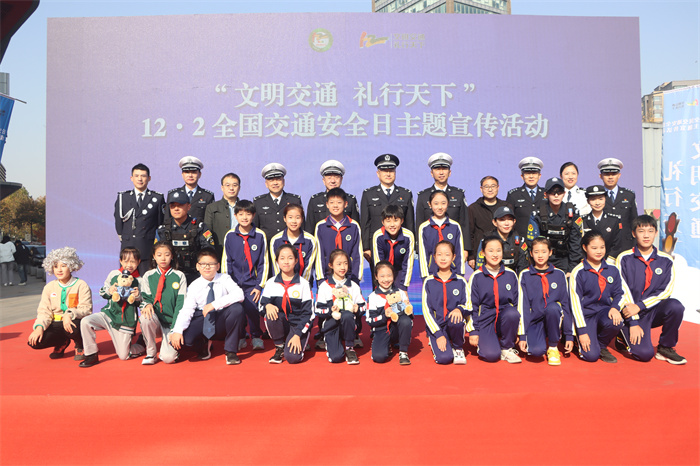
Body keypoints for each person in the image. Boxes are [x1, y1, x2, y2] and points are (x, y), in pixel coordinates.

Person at [616, 215, 686, 364]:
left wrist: (640, 306)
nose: (646, 235)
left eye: (650, 231)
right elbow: (622, 290)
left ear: (656, 233)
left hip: (651, 311)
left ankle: (665, 347)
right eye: (641, 231)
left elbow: (665, 291)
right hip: (629, 313)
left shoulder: (666, 260)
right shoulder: (624, 258)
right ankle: (621, 335)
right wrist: (633, 322)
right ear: (634, 233)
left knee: (675, 306)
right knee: (645, 355)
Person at [169, 248, 247, 365]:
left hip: (221, 317)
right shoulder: (194, 286)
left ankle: (231, 351)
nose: (207, 267)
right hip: (203, 318)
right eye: (203, 264)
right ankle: (203, 345)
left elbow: (239, 294)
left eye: (211, 264)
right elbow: (186, 310)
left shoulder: (225, 278)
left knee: (237, 309)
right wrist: (177, 330)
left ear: (218, 266)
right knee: (179, 342)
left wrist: (214, 304)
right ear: (197, 266)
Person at [79, 247, 145, 367]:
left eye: (133, 261)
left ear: (138, 262)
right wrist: (109, 290)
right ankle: (91, 354)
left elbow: (142, 302)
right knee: (86, 321)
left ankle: (141, 343)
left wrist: (137, 296)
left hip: (125, 321)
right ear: (120, 261)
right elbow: (102, 292)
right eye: (126, 261)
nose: (129, 265)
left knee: (124, 356)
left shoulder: (140, 280)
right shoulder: (114, 274)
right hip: (108, 314)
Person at [569, 231, 624, 363]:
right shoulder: (578, 272)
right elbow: (575, 304)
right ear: (585, 247)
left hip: (604, 312)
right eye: (594, 248)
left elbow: (620, 293)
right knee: (591, 356)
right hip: (586, 316)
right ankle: (579, 341)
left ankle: (602, 345)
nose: (599, 251)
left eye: (602, 247)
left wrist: (615, 308)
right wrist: (582, 331)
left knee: (616, 321)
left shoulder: (613, 269)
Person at [465, 236, 523, 363]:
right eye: (490, 251)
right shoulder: (476, 276)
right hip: (485, 321)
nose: (495, 254)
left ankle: (506, 347)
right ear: (483, 253)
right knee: (491, 355)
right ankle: (490, 342)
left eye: (498, 250)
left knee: (512, 313)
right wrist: (473, 330)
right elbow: (471, 305)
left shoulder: (511, 275)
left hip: (505, 319)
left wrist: (519, 331)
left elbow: (518, 304)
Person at [27, 247, 91, 360]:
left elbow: (86, 309)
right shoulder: (49, 287)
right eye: (55, 266)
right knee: (35, 342)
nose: (59, 270)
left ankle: (80, 344)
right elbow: (44, 311)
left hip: (74, 321)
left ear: (71, 266)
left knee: (73, 328)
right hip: (55, 323)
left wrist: (69, 314)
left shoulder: (81, 285)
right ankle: (61, 342)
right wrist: (39, 327)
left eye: (63, 266)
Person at [518, 237, 573, 366]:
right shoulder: (525, 275)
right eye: (536, 252)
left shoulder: (559, 274)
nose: (540, 255)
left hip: (553, 319)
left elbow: (566, 304)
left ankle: (553, 347)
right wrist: (522, 335)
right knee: (536, 352)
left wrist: (569, 335)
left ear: (550, 252)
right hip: (534, 320)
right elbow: (523, 306)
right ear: (531, 253)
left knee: (553, 308)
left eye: (544, 251)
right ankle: (539, 339)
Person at [221, 200, 267, 351]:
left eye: (248, 214)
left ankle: (256, 336)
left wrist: (259, 285)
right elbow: (226, 260)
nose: (244, 217)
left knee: (252, 309)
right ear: (235, 216)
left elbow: (264, 262)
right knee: (237, 311)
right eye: (240, 214)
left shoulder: (260, 235)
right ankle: (241, 337)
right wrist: (227, 284)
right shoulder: (230, 235)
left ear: (253, 215)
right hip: (234, 283)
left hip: (252, 283)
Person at [259, 244, 314, 364]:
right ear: (277, 261)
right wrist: (267, 306)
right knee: (270, 313)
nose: (286, 262)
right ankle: (279, 346)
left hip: (297, 325)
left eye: (290, 258)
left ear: (296, 260)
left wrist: (297, 335)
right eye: (282, 258)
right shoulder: (271, 283)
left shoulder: (304, 284)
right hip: (281, 322)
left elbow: (309, 314)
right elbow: (261, 306)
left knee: (293, 358)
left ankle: (297, 339)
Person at [360, 154, 415, 267]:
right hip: (376, 245)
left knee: (401, 275)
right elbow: (365, 223)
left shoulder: (406, 194)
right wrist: (366, 247)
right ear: (378, 173)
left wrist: (412, 246)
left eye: (391, 170)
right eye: (384, 171)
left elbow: (409, 223)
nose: (388, 174)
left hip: (400, 245)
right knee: (378, 276)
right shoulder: (368, 194)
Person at [137, 241, 188, 364]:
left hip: (171, 324)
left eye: (167, 254)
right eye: (159, 255)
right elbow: (145, 298)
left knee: (168, 359)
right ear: (154, 257)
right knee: (145, 317)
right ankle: (151, 353)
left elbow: (181, 304)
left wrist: (175, 329)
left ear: (172, 256)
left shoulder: (179, 276)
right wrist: (147, 304)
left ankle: (170, 348)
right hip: (156, 321)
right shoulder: (148, 275)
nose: (163, 258)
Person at [315, 249, 366, 364]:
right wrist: (330, 311)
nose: (343, 267)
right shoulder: (324, 286)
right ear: (330, 265)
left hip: (349, 325)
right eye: (338, 264)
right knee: (336, 358)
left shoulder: (353, 286)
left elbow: (364, 307)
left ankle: (349, 347)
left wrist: (357, 309)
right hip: (331, 325)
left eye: (345, 263)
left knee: (347, 315)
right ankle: (330, 340)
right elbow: (318, 309)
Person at [422, 241, 468, 365]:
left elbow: (468, 304)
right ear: (434, 257)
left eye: (447, 254)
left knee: (456, 320)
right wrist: (438, 334)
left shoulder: (461, 281)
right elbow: (426, 310)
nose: (443, 258)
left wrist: (459, 309)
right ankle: (438, 340)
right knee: (444, 359)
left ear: (453, 257)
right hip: (437, 327)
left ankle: (458, 348)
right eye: (439, 254)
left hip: (453, 324)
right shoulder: (429, 282)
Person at [415, 152, 471, 255]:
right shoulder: (423, 196)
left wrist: (466, 248)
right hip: (430, 248)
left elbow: (464, 223)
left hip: (454, 247)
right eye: (437, 169)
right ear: (431, 173)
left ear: (450, 172)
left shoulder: (458, 195)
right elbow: (419, 224)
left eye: (444, 169)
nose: (441, 172)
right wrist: (419, 249)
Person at [114, 163, 165, 275]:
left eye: (143, 176)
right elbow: (118, 222)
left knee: (147, 280)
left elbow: (160, 223)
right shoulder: (123, 197)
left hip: (147, 247)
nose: (140, 179)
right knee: (126, 281)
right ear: (131, 178)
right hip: (128, 248)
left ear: (149, 178)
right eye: (136, 176)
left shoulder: (157, 198)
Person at [155, 188, 215, 283]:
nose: (176, 209)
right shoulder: (163, 229)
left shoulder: (199, 227)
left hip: (196, 276)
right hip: (170, 275)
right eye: (173, 206)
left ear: (189, 206)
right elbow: (157, 254)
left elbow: (209, 251)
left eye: (180, 205)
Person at [526, 177, 583, 275]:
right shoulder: (537, 214)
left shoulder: (573, 213)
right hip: (542, 260)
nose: (556, 195)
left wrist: (571, 270)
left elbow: (575, 244)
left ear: (564, 193)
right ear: (546, 194)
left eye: (559, 192)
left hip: (565, 259)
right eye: (552, 192)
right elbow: (533, 243)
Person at [366, 261, 414, 365]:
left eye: (389, 275)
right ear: (376, 277)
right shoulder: (373, 297)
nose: (386, 279)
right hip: (381, 330)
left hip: (396, 328)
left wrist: (408, 307)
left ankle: (403, 351)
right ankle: (384, 344)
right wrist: (384, 316)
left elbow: (410, 316)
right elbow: (369, 320)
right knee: (379, 357)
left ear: (394, 275)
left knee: (406, 321)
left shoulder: (400, 293)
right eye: (382, 276)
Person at [314, 187, 363, 284]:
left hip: (349, 278)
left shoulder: (353, 226)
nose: (335, 206)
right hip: (327, 278)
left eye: (339, 202)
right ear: (327, 204)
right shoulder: (321, 226)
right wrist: (321, 279)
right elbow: (319, 255)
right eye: (332, 202)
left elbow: (357, 255)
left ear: (345, 204)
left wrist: (355, 279)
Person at [417, 190, 465, 279]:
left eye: (443, 203)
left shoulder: (455, 226)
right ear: (430, 204)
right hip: (432, 274)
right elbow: (423, 255)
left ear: (448, 204)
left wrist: (460, 275)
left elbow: (459, 253)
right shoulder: (424, 228)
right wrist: (425, 277)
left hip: (453, 274)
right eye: (436, 203)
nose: (440, 207)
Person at [468, 176, 512, 269]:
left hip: (504, 253)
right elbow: (469, 233)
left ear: (498, 187)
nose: (490, 189)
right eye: (486, 187)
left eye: (493, 186)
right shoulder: (473, 208)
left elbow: (512, 230)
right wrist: (471, 256)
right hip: (481, 255)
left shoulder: (506, 206)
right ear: (481, 189)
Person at [305, 160, 360, 234]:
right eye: (329, 177)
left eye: (336, 177)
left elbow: (356, 228)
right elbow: (309, 229)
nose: (333, 181)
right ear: (324, 180)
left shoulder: (350, 200)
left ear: (341, 179)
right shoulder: (315, 200)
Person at [253, 163, 303, 242]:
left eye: (278, 179)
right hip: (267, 246)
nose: (275, 183)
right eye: (271, 180)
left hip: (289, 245)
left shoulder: (294, 200)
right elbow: (255, 229)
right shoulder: (258, 202)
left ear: (284, 182)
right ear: (266, 184)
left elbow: (301, 227)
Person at [371, 204, 415, 291]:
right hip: (383, 271)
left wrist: (404, 287)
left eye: (396, 220)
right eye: (388, 221)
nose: (392, 225)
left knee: (400, 295)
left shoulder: (408, 236)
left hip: (400, 271)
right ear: (383, 222)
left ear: (402, 221)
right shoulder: (378, 236)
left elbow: (408, 264)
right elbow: (378, 263)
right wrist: (382, 282)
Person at [474, 206, 529, 274]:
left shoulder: (520, 241)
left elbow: (523, 268)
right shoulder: (486, 240)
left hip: (512, 277)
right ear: (494, 222)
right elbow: (479, 267)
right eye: (502, 220)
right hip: (489, 277)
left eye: (510, 219)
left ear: (514, 221)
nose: (506, 223)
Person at [598, 157, 638, 252]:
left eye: (614, 174)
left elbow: (634, 221)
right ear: (601, 176)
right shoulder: (596, 196)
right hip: (604, 245)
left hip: (626, 244)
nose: (610, 177)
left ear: (619, 175)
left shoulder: (629, 195)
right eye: (607, 174)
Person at [270, 204, 317, 283]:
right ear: (284, 218)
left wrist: (301, 285)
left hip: (303, 284)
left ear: (302, 219)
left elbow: (308, 268)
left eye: (297, 217)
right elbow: (276, 266)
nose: (294, 221)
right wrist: (281, 284)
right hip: (281, 285)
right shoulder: (276, 240)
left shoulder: (310, 240)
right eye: (290, 217)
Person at [164, 156, 215, 224]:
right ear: (182, 174)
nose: (190, 175)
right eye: (187, 172)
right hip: (178, 230)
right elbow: (167, 220)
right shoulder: (173, 194)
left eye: (194, 172)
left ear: (199, 174)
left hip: (199, 230)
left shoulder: (208, 196)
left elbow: (210, 221)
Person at [204, 172, 241, 260]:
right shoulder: (212, 207)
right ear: (222, 188)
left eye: (234, 185)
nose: (231, 188)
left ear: (239, 188)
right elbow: (207, 232)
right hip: (219, 252)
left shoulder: (245, 207)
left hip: (241, 250)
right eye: (227, 185)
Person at [506, 157, 545, 238]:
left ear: (539, 176)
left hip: (543, 241)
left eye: (534, 173)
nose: (531, 176)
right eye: (527, 173)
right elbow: (509, 220)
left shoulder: (546, 194)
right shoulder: (513, 195)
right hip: (521, 241)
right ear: (522, 176)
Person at [581, 185, 622, 259]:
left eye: (600, 199)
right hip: (588, 261)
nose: (597, 203)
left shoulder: (614, 220)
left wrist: (609, 260)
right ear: (588, 201)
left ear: (605, 199)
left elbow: (617, 244)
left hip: (608, 261)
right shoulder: (582, 220)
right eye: (593, 199)